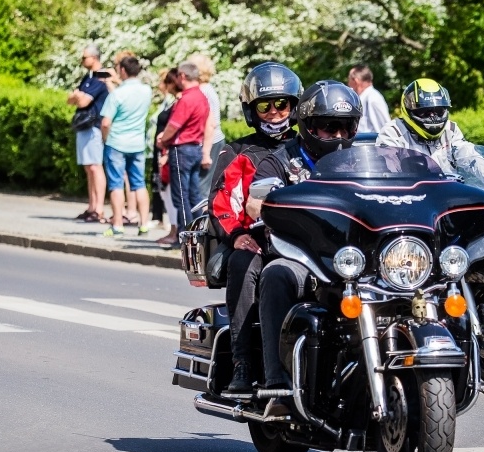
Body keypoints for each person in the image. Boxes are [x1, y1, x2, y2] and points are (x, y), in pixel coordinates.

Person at [246, 80, 362, 417]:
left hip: (355, 258)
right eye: (329, 127)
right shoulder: (281, 161)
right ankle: (277, 385)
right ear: (308, 126)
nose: (339, 136)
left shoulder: (362, 160)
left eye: (346, 126)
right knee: (277, 275)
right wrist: (271, 202)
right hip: (305, 258)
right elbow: (255, 203)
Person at [207, 62, 303, 392]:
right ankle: (242, 361)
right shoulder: (238, 151)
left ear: (295, 106)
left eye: (282, 104)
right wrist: (237, 235)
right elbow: (220, 203)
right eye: (265, 105)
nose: (275, 112)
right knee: (244, 265)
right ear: (252, 110)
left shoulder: (308, 148)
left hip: (307, 240)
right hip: (259, 239)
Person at [377, 78, 484, 200]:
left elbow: (468, 155)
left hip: (451, 200)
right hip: (413, 201)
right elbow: (388, 172)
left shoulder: (450, 129)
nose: (433, 117)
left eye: (438, 111)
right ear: (409, 109)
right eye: (425, 112)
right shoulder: (393, 132)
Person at [155, 61, 210, 246]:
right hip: (195, 147)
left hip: (182, 149)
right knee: (194, 195)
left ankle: (187, 236)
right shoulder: (202, 96)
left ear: (183, 76)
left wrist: (163, 140)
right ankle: (200, 234)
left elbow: (174, 125)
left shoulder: (187, 98)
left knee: (181, 196)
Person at [99, 55, 153, 237]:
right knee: (139, 184)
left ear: (122, 70)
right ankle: (144, 223)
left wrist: (105, 139)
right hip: (137, 143)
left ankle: (118, 225)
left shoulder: (117, 94)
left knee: (116, 184)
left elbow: (106, 122)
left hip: (116, 143)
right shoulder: (146, 91)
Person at [67, 44, 109, 223]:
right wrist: (76, 97)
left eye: (84, 58)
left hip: (94, 126)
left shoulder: (101, 77)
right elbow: (70, 99)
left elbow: (83, 101)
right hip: (83, 126)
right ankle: (91, 206)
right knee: (87, 167)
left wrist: (77, 97)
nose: (82, 61)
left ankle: (99, 208)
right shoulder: (87, 77)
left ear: (94, 58)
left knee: (95, 167)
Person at [149, 68, 182, 244]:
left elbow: (176, 128)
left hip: (168, 152)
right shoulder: (172, 102)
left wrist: (167, 152)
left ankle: (175, 230)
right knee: (165, 193)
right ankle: (173, 229)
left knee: (171, 193)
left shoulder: (179, 101)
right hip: (163, 151)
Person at [188, 53, 226, 199]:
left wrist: (205, 153)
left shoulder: (203, 91)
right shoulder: (208, 88)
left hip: (210, 142)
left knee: (201, 190)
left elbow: (210, 124)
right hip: (213, 141)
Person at [347, 64, 390, 133]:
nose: (348, 84)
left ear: (356, 81)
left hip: (370, 143)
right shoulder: (362, 98)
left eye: (349, 79)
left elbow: (386, 128)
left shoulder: (373, 98)